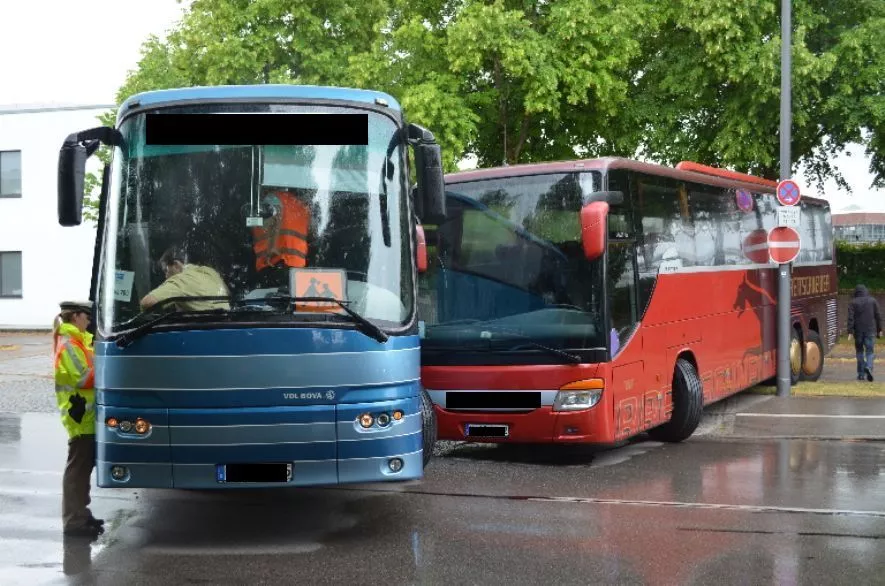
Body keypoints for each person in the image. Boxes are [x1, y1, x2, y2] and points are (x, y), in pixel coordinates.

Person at [53, 300, 103, 537]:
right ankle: (74, 520)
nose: (89, 321)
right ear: (75, 317)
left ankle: (81, 514)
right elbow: (83, 379)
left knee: (82, 469)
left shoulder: (79, 342)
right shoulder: (70, 344)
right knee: (77, 470)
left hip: (85, 414)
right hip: (80, 415)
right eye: (86, 316)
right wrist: (106, 366)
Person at [140, 247, 230, 312]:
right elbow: (227, 294)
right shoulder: (210, 272)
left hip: (201, 330)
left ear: (176, 265)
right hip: (229, 326)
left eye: (166, 270)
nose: (166, 276)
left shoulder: (180, 280)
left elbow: (147, 303)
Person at [252, 188, 311, 272]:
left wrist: (272, 246)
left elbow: (276, 216)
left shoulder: (273, 198)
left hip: (274, 260)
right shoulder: (302, 205)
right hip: (297, 265)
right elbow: (311, 232)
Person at [847, 284, 882, 382]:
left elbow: (850, 318)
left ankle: (861, 374)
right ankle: (869, 367)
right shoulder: (872, 301)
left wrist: (850, 331)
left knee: (859, 351)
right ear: (866, 291)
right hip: (870, 330)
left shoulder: (853, 302)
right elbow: (878, 316)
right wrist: (879, 329)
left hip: (858, 331)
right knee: (870, 351)